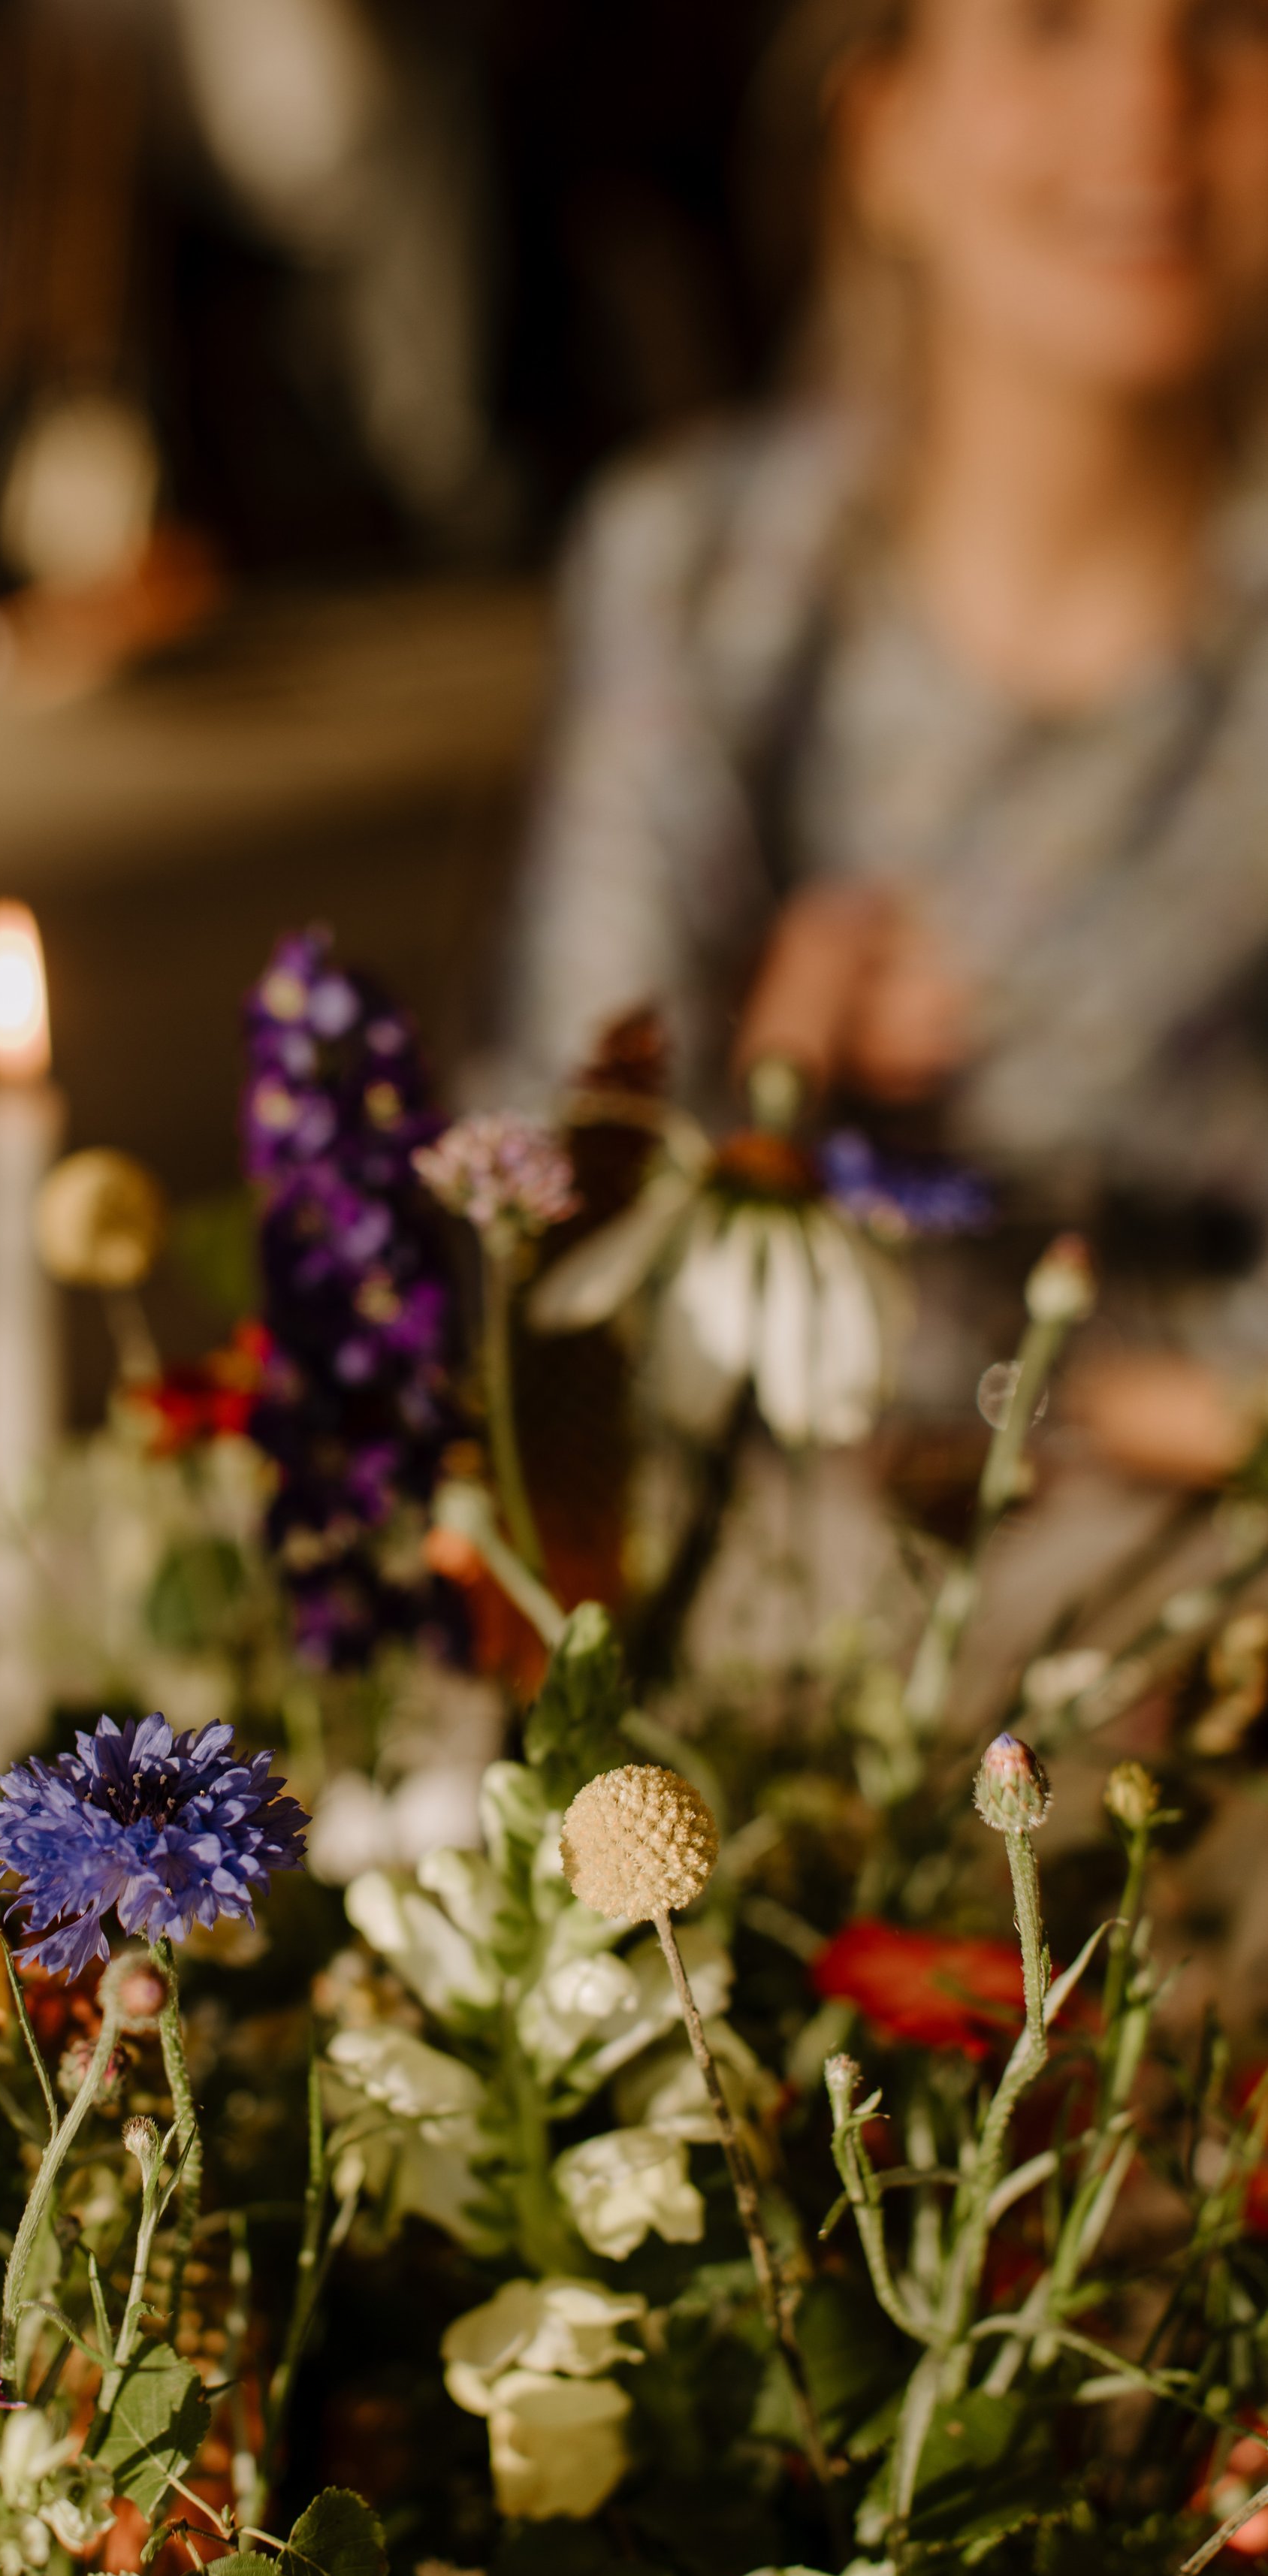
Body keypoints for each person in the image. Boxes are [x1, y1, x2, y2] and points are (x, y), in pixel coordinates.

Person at [498, 0, 1268, 1472]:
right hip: (787, 1587)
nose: (1145, 102)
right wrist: (769, 1091)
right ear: (881, 129)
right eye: (1051, 25)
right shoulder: (698, 577)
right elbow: (553, 1230)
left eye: (1226, 26)